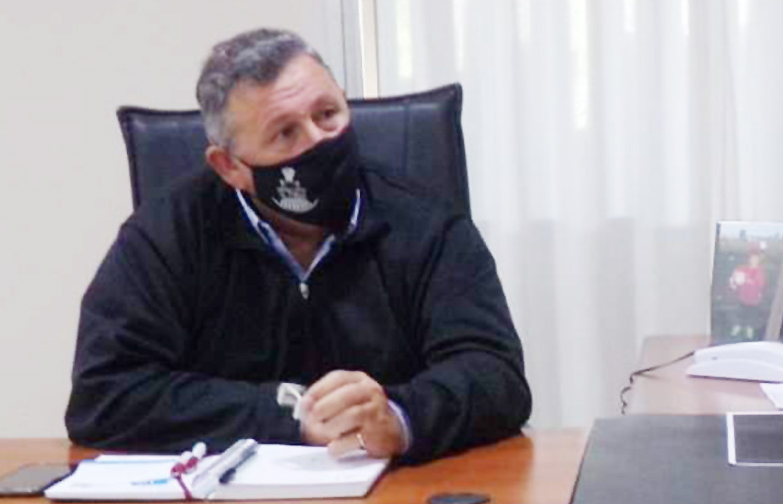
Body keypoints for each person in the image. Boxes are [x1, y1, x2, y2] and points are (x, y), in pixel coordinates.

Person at [65, 28, 531, 464]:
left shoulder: (426, 223)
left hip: (398, 499)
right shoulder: (167, 236)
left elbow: (495, 376)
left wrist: (399, 416)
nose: (319, 142)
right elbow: (103, 395)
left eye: (328, 114)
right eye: (285, 132)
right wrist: (289, 414)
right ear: (230, 166)